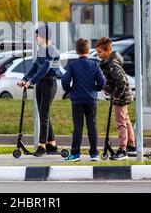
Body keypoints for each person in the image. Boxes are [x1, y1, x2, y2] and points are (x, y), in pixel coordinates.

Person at [17, 24, 61, 157]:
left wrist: (32, 81)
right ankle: (52, 144)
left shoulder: (52, 49)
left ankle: (42, 146)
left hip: (49, 83)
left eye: (37, 36)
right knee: (44, 114)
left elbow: (45, 68)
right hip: (41, 83)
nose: (36, 38)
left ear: (44, 37)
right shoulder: (41, 49)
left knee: (44, 114)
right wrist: (25, 79)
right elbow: (36, 66)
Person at [61, 38, 106, 162]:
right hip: (91, 99)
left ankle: (75, 154)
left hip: (77, 100)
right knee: (92, 125)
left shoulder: (72, 65)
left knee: (78, 126)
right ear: (88, 50)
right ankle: (94, 154)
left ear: (76, 50)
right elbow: (102, 81)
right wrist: (96, 89)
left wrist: (70, 89)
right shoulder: (95, 65)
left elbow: (65, 80)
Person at [95, 37, 135, 161]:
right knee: (126, 120)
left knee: (121, 122)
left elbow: (121, 81)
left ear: (107, 51)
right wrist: (108, 88)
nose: (98, 54)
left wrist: (116, 95)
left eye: (100, 52)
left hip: (121, 97)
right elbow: (113, 80)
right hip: (123, 95)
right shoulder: (110, 62)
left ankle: (122, 149)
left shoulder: (112, 64)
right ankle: (131, 146)